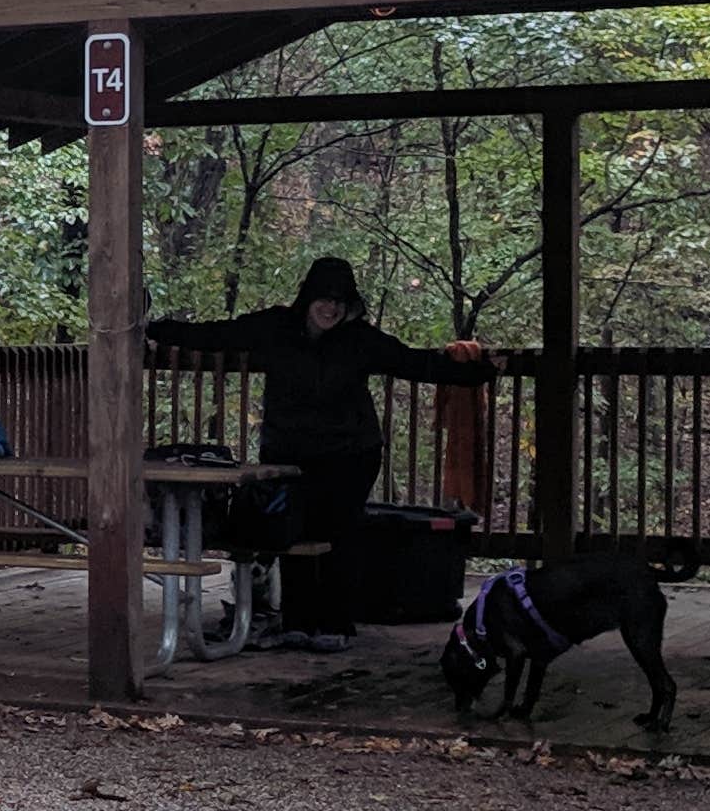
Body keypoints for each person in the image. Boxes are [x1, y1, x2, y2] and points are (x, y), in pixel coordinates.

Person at [150, 255, 487, 650]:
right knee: (291, 531)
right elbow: (216, 335)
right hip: (288, 453)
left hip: (350, 453)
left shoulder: (360, 340)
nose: (331, 308)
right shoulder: (275, 327)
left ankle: (334, 625)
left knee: (337, 534)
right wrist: (154, 328)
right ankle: (297, 620)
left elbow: (414, 362)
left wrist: (478, 370)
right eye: (324, 299)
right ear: (308, 299)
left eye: (339, 302)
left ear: (349, 306)